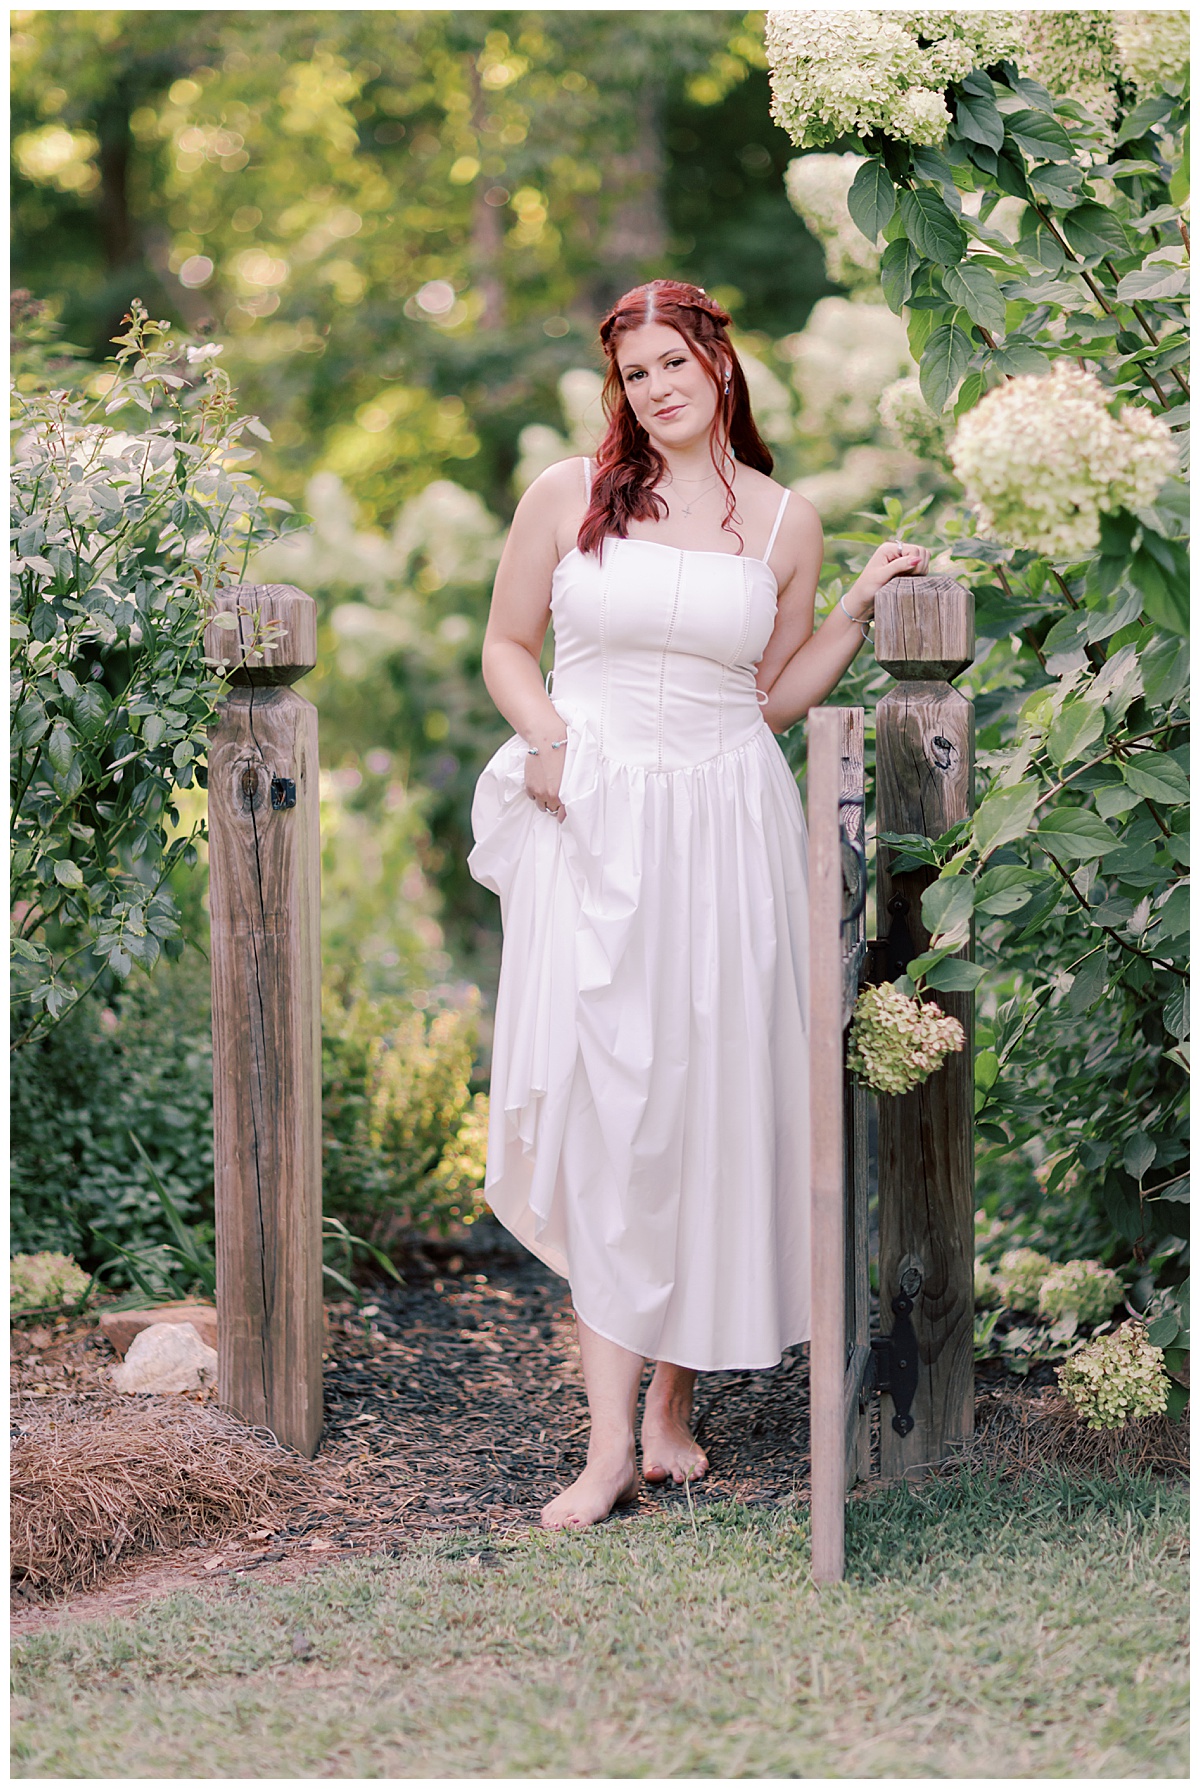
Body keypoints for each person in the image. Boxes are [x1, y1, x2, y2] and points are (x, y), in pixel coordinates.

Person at [468, 279, 929, 1530]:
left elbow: (768, 699)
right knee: (608, 1108)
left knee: (701, 1100)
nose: (656, 387)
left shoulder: (786, 520)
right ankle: (606, 1446)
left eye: (673, 361)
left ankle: (671, 1404)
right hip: (594, 812)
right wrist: (546, 736)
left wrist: (852, 607)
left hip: (727, 824)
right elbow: (507, 645)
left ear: (719, 362)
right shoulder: (567, 494)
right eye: (634, 373)